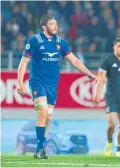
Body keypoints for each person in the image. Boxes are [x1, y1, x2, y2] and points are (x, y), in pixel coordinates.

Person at [16, 14, 97, 159]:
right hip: (37, 82)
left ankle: (41, 148)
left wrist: (88, 73)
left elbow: (74, 60)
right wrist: (20, 82)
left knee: (47, 118)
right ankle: (40, 149)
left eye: (56, 24)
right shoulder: (34, 41)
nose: (56, 27)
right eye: (52, 24)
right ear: (44, 27)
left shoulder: (61, 42)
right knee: (42, 111)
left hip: (52, 84)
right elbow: (23, 63)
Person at [92, 38, 120, 157]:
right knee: (112, 123)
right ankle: (109, 142)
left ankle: (118, 149)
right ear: (114, 47)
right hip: (112, 97)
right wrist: (97, 95)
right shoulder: (108, 60)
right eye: (119, 46)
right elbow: (100, 79)